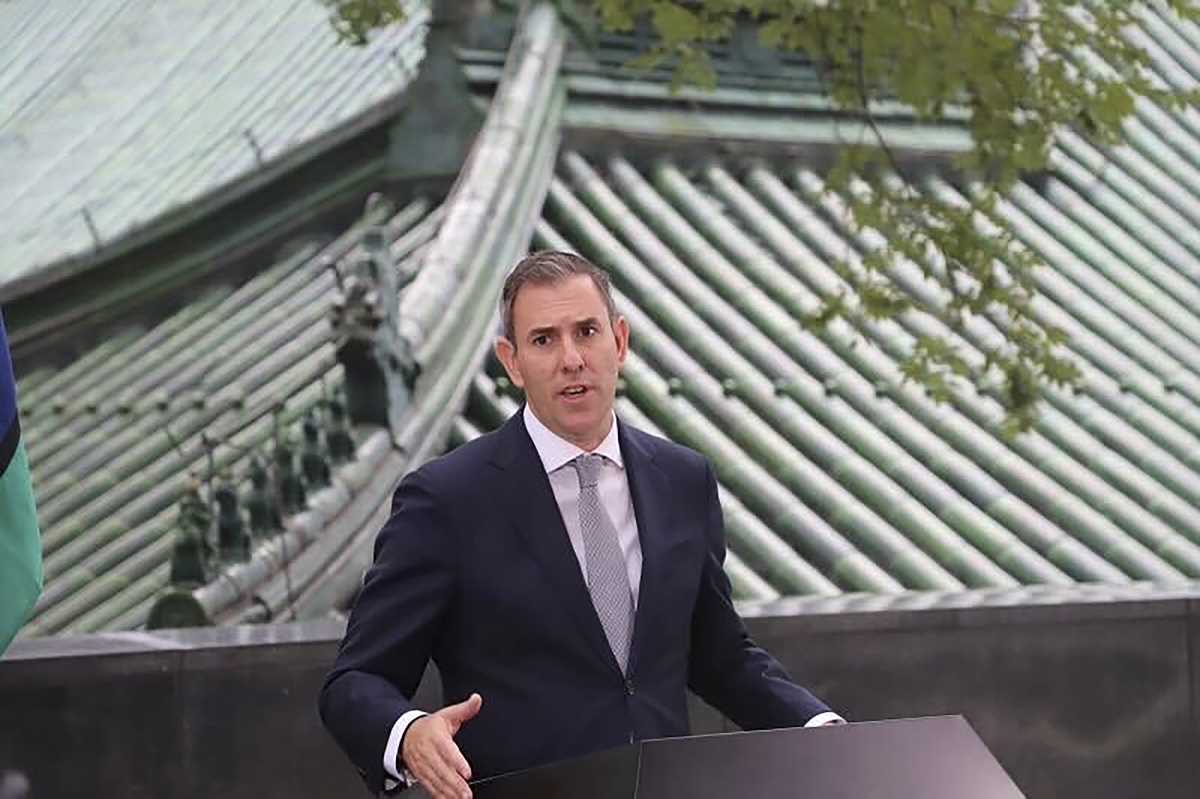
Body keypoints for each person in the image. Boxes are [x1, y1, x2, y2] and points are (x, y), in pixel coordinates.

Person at [319, 251, 842, 798]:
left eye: (587, 332)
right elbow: (355, 680)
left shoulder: (683, 480)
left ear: (619, 341)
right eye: (544, 340)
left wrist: (820, 730)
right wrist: (407, 735)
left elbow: (720, 656)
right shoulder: (447, 500)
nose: (571, 359)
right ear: (512, 361)